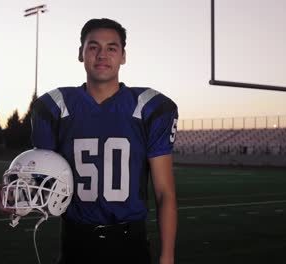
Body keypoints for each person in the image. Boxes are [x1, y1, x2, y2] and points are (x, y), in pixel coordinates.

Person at [29, 18, 178, 264]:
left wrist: (167, 257)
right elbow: (40, 180)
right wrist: (10, 197)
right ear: (81, 53)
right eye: (93, 47)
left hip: (130, 245)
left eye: (111, 48)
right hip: (76, 243)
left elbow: (165, 193)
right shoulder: (55, 107)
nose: (102, 55)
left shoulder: (149, 108)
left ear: (123, 56)